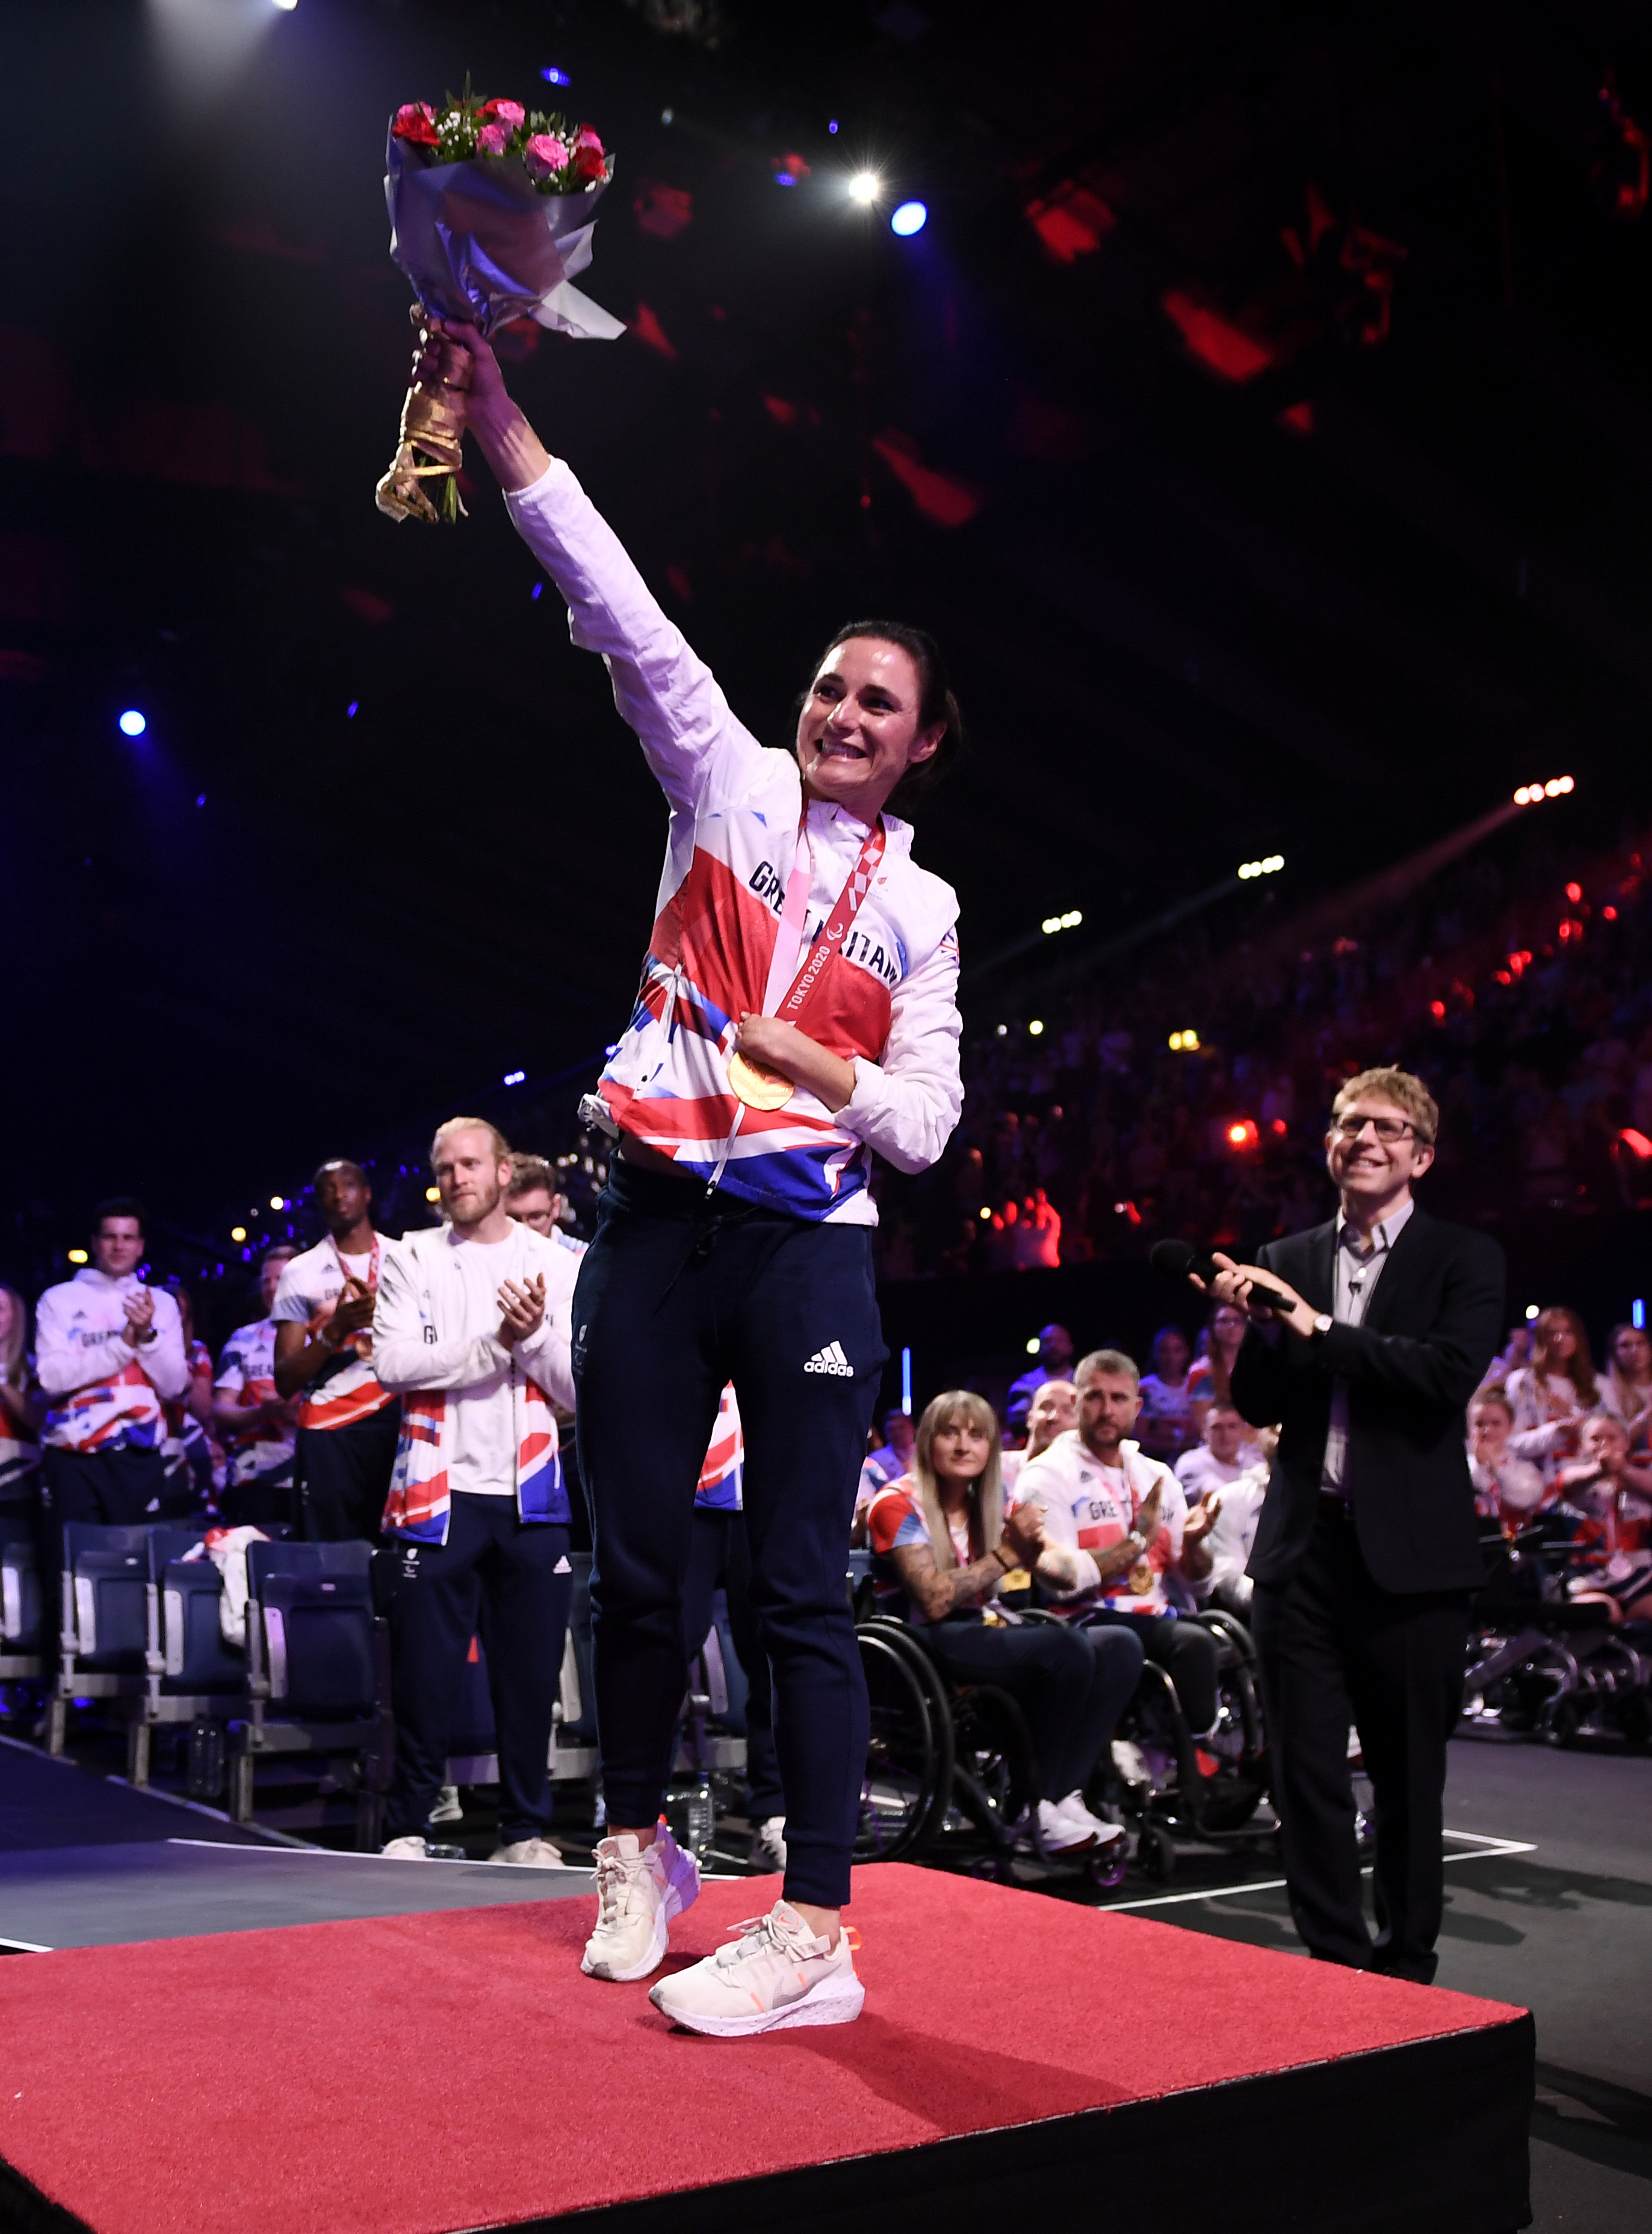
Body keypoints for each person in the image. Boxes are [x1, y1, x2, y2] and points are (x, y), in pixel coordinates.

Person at [430, 309, 966, 2037]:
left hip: (807, 1244)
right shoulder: (721, 780)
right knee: (639, 1571)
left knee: (799, 1580)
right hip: (650, 1225)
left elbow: (931, 1126)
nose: (840, 711)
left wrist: (819, 1062)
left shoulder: (926, 914)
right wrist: (501, 420)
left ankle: (816, 1923)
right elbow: (620, 603)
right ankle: (640, 1844)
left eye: (877, 702)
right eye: (829, 683)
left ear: (922, 744)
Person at [1211, 1065, 1503, 1985]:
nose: (1362, 1140)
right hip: (1304, 1553)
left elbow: (1440, 1378)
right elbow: (1260, 1402)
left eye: (1384, 1128)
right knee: (1306, 1773)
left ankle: (1407, 1962)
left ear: (1420, 1153)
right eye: (1346, 1125)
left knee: (1409, 1774)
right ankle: (1335, 1965)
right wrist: (1255, 1330)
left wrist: (1312, 1326)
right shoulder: (1287, 1253)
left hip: (1413, 1563)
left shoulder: (1464, 1258)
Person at [373, 1118, 582, 1864]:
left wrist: (527, 1342)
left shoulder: (552, 1262)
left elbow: (575, 1387)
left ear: (503, 1172)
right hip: (436, 1496)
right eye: (444, 1167)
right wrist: (498, 1343)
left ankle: (525, 1831)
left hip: (530, 1498)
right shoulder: (411, 1257)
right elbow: (394, 1363)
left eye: (469, 1164)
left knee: (529, 1680)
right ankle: (409, 1825)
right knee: (423, 1678)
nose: (456, 1177)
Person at [866, 1390, 1131, 1851]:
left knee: (1117, 1644)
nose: (963, 1446)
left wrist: (1130, 1547)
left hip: (982, 1628)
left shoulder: (990, 1502)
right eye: (949, 1433)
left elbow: (1052, 1565)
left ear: (991, 1447)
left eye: (976, 1435)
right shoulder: (895, 1504)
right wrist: (1008, 1554)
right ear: (928, 1441)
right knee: (1064, 1650)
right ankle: (1037, 1808)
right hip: (922, 1640)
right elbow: (932, 1600)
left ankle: (1061, 1796)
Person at [1012, 1350, 1221, 1734]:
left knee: (1224, 1640)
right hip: (1080, 1618)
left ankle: (1192, 1751)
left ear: (1138, 1406)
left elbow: (1198, 1583)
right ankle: (1194, 1753)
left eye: (1119, 1399)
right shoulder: (1046, 1474)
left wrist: (1193, 1545)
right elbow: (1062, 1584)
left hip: (1155, 1614)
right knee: (1193, 1644)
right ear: (1076, 1403)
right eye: (1095, 1397)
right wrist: (1137, 1542)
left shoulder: (1156, 1475)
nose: (1107, 1410)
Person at [36, 1202, 189, 1585]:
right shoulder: (59, 1300)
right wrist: (124, 1345)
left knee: (135, 1569)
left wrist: (149, 1336)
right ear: (94, 1243)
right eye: (110, 1237)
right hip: (74, 1457)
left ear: (140, 1246)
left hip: (138, 1455)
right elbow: (52, 1378)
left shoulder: (161, 1304)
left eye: (128, 1237)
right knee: (69, 1570)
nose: (119, 1246)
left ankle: (138, 1646)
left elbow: (174, 1385)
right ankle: (66, 1646)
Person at [680, 1382, 784, 1869]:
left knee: (771, 1658)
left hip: (760, 1492)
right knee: (661, 1652)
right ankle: (635, 1819)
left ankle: (775, 1814)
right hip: (682, 1495)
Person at [271, 1161, 400, 1542]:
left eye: (348, 1185)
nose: (339, 1194)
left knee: (398, 1552)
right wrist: (336, 1330)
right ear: (319, 1202)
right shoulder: (301, 1271)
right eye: (329, 1188)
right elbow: (285, 1379)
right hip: (330, 1431)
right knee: (331, 1555)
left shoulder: (406, 1257)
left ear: (367, 1194)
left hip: (397, 1419)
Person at [214, 1248, 303, 1526]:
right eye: (266, 1280)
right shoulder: (243, 1339)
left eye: (281, 1279)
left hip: (305, 1476)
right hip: (251, 1480)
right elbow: (220, 1409)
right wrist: (260, 1413)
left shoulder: (322, 1337)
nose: (272, 1288)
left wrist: (295, 1415)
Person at [1555, 1412, 1652, 1620]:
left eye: (1612, 1438)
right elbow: (1566, 1483)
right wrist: (1600, 1469)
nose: (1604, 1444)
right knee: (1604, 1612)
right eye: (1596, 1439)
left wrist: (1623, 1471)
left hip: (1640, 1578)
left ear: (1626, 1443)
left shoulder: (1641, 1480)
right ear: (1583, 1445)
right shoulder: (1576, 1478)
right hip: (1590, 1581)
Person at [1503, 1307, 1598, 1486]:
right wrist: (1557, 1430)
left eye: (1568, 1332)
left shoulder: (1598, 1385)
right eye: (1551, 1333)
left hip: (1585, 1487)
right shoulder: (1523, 1382)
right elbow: (1511, 1443)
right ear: (1540, 1339)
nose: (1560, 1339)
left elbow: (1614, 1439)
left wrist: (1571, 1417)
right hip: (1535, 1487)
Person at [1466, 1388, 1546, 1526]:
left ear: (1510, 1427)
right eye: (1480, 1424)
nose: (1487, 1431)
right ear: (1469, 1429)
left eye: (1496, 1423)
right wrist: (1479, 1465)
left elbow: (1524, 1499)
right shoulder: (1460, 1466)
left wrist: (1497, 1469)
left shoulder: (1524, 1468)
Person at [0, 1286, 43, 1511]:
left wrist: (3, 1383)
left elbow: (36, 1418)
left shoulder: (34, 1369)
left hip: (18, 1486)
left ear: (15, 1318)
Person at [1000, 1377, 1076, 1497]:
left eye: (1067, 1411)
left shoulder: (1086, 1482)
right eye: (1046, 1407)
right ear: (1029, 1418)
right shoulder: (999, 1467)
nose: (1054, 1417)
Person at [1174, 1399, 1258, 1508]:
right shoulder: (1191, 1463)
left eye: (1232, 1427)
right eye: (1217, 1428)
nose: (1225, 1435)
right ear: (1205, 1432)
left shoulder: (1252, 1462)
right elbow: (1220, 1497)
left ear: (1243, 1431)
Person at [1187, 1301, 1249, 1438]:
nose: (1231, 1327)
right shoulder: (1201, 1372)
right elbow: (1203, 1427)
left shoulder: (1258, 1367)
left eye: (1238, 1321)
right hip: (1218, 1444)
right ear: (1213, 1327)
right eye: (1224, 1321)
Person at [1136, 1325, 1196, 1465]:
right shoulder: (1146, 1388)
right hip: (1154, 1463)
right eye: (1164, 1351)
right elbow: (1141, 1438)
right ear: (1155, 1353)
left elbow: (1200, 1434)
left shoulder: (1196, 1386)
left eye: (1177, 1350)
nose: (1171, 1357)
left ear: (1186, 1352)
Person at [1005, 1324, 1074, 1434]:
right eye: (1047, 1341)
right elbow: (1016, 1421)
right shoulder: (1024, 1384)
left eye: (1060, 1341)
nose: (1053, 1346)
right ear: (1040, 1348)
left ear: (1070, 1347)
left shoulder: (1082, 1383)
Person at [1598, 1322, 1652, 1446]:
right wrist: (1647, 1414)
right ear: (1615, 1354)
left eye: (1641, 1343)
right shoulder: (1606, 1389)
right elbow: (1618, 1440)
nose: (1634, 1350)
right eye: (1625, 1346)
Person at [506, 1153, 573, 1240]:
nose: (525, 1231)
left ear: (556, 1207)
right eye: (514, 1219)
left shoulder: (583, 1254)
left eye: (536, 1217)